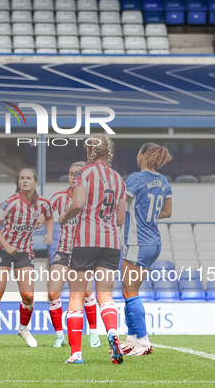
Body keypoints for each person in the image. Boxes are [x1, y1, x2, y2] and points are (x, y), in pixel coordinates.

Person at [59, 134, 126, 365]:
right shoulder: (118, 179)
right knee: (105, 295)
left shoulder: (82, 174)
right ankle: (113, 334)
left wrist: (63, 217)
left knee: (77, 295)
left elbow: (77, 204)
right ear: (108, 151)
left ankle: (76, 353)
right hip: (111, 242)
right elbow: (119, 219)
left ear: (89, 151)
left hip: (85, 240)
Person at [0, 167, 54, 349]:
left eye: (28, 178)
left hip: (24, 252)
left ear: (35, 183)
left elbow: (50, 217)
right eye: (21, 178)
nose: (24, 180)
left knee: (28, 295)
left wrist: (48, 232)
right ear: (18, 183)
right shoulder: (10, 202)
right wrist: (6, 245)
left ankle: (23, 329)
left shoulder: (43, 203)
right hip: (2, 250)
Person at [121, 143, 172, 356]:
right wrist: (146, 214)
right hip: (154, 242)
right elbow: (167, 212)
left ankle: (143, 341)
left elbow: (120, 204)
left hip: (137, 242)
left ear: (142, 156)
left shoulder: (136, 178)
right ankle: (132, 338)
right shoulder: (163, 181)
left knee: (129, 291)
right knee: (130, 291)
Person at [49, 162, 101, 348]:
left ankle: (93, 332)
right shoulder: (59, 197)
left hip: (84, 252)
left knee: (86, 292)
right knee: (53, 292)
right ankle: (58, 335)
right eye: (71, 174)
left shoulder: (93, 199)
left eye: (77, 174)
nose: (74, 178)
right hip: (63, 251)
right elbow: (45, 214)